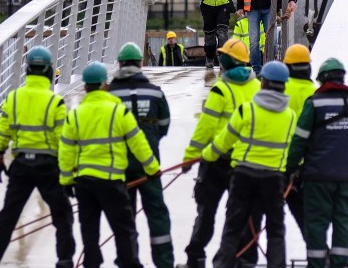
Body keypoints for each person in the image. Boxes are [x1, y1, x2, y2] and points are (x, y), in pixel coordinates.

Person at [0, 46, 75, 268]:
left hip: (21, 166)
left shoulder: (14, 98)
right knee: (62, 215)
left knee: (8, 217)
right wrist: (69, 175)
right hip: (48, 167)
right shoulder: (55, 102)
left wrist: (0, 157)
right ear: (49, 71)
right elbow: (64, 140)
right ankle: (65, 261)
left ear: (28, 69)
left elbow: (2, 130)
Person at [59, 61, 160, 268]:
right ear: (105, 85)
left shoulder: (76, 115)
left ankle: (92, 263)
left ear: (85, 86)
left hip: (84, 183)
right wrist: (152, 169)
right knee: (124, 229)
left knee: (89, 230)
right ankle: (130, 264)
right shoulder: (118, 111)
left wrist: (66, 180)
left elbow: (66, 151)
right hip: (111, 182)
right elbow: (138, 142)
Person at [203, 60, 297, 268]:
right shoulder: (290, 116)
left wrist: (206, 156)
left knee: (233, 229)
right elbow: (293, 151)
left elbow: (223, 142)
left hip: (243, 176)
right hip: (273, 180)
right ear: (284, 85)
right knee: (275, 232)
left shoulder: (247, 111)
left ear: (263, 83)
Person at [177, 38, 260, 268]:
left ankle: (196, 258)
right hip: (244, 162)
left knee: (206, 213)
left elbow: (205, 129)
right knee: (240, 215)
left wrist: (189, 158)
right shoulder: (257, 88)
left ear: (226, 62)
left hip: (216, 161)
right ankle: (239, 260)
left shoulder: (221, 89)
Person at [285, 58, 348, 268]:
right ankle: (340, 263)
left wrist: (291, 168)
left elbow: (299, 139)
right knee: (342, 220)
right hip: (346, 175)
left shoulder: (315, 104)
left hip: (317, 175)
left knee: (316, 222)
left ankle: (317, 262)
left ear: (322, 80)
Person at [108, 42, 174, 268]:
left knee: (125, 220)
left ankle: (128, 262)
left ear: (120, 64)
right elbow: (164, 125)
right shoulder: (155, 92)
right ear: (140, 64)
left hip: (120, 167)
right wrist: (151, 139)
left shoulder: (109, 94)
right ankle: (164, 263)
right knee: (157, 216)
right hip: (149, 165)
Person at [282, 43, 317, 233]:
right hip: (306, 166)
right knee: (306, 216)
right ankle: (319, 254)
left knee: (271, 217)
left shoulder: (281, 90)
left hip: (279, 163)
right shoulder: (316, 93)